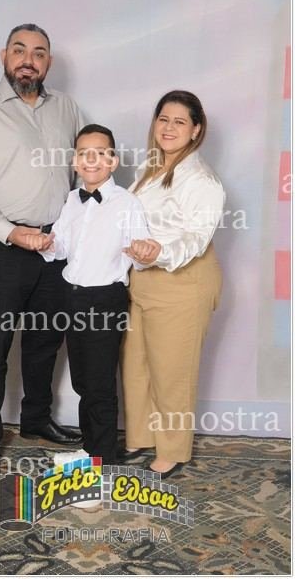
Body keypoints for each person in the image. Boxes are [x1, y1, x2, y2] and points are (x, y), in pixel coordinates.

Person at [0, 23, 83, 486]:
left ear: (48, 62)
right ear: (4, 56)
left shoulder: (66, 108)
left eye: (39, 53)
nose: (29, 60)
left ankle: (36, 419)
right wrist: (10, 232)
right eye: (20, 50)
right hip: (5, 248)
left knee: (46, 340)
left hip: (54, 247)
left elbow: (79, 174)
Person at [30, 124, 151, 467]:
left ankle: (103, 460)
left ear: (113, 161)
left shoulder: (127, 203)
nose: (91, 159)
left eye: (100, 153)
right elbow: (61, 247)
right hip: (72, 298)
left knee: (99, 383)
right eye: (84, 153)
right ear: (74, 161)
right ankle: (90, 449)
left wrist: (143, 253)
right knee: (82, 378)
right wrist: (45, 244)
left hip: (105, 300)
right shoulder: (72, 199)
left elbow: (140, 258)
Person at [120, 90, 225, 479]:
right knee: (136, 364)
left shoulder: (203, 181)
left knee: (172, 371)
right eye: (163, 119)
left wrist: (158, 251)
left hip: (182, 281)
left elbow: (195, 238)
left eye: (179, 121)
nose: (168, 128)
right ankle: (142, 436)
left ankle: (172, 449)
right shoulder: (150, 167)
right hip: (142, 279)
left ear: (196, 130)